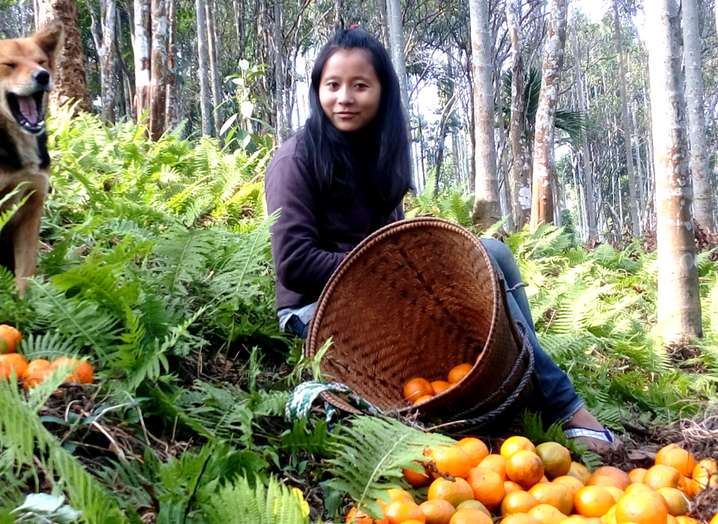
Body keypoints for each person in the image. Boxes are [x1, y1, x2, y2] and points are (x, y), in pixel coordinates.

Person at [264, 27, 617, 454]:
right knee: (487, 257)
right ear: (317, 89)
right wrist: (380, 268)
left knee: (495, 253)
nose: (344, 98)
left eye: (360, 86)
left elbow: (393, 240)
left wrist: (405, 267)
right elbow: (295, 263)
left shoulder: (378, 156)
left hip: (380, 291)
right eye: (332, 85)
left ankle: (527, 393)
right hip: (317, 310)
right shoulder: (295, 159)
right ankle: (562, 404)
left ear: (382, 93)